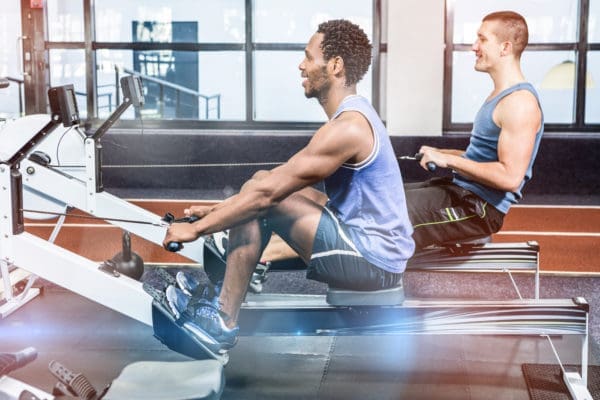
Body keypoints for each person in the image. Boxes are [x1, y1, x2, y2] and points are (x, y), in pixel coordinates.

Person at [162, 19, 415, 352]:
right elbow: (279, 180)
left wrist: (197, 230)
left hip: (372, 261)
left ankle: (222, 320)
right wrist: (220, 211)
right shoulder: (352, 116)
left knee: (264, 201)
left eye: (309, 57)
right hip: (371, 250)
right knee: (264, 182)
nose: (302, 65)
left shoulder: (349, 127)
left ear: (335, 65)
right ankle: (234, 279)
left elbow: (269, 196)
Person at [405, 10, 543, 249]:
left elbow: (510, 177)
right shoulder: (499, 96)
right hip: (463, 192)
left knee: (390, 213)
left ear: (505, 47)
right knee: (387, 195)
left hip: (479, 209)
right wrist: (444, 153)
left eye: (482, 39)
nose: (473, 46)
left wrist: (449, 161)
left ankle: (376, 283)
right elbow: (480, 159)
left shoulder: (519, 103)